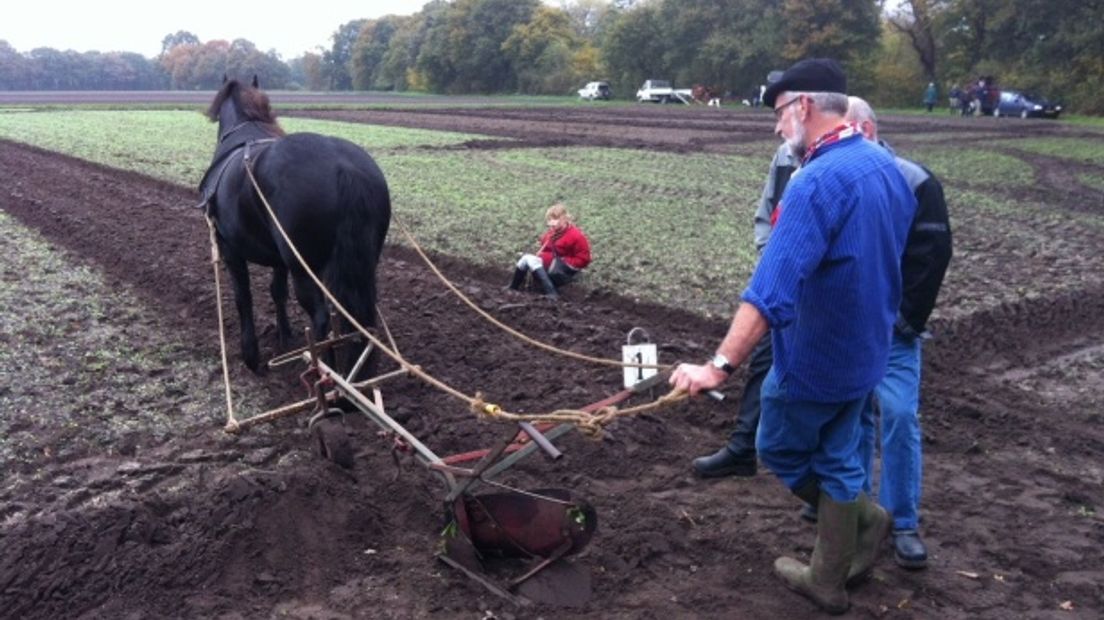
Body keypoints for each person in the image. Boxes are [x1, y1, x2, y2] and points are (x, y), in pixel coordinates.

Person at [669, 58, 917, 614]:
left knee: (776, 444)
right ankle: (834, 568)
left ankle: (861, 527)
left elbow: (769, 291)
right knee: (839, 453)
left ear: (803, 106)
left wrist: (718, 366)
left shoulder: (814, 182)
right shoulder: (886, 166)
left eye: (780, 114)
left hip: (816, 355)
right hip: (868, 349)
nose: (777, 127)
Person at [845, 96, 953, 570]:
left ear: (866, 131)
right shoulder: (833, 178)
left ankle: (902, 522)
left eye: (842, 133)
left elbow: (932, 255)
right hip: (845, 329)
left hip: (892, 331)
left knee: (900, 416)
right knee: (851, 420)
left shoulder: (915, 180)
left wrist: (905, 320)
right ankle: (857, 513)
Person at [691, 141, 797, 478]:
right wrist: (773, 257)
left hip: (821, 298)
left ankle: (830, 488)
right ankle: (742, 449)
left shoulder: (845, 168)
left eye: (785, 112)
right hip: (783, 285)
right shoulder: (785, 154)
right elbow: (767, 211)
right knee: (763, 363)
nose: (779, 126)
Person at [507, 203, 591, 300]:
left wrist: (564, 260)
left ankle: (552, 293)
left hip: (564, 269)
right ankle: (513, 287)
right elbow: (546, 246)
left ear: (564, 219)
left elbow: (584, 259)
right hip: (552, 264)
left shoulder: (576, 235)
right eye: (550, 220)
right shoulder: (553, 232)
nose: (551, 224)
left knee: (530, 259)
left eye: (554, 220)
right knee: (525, 259)